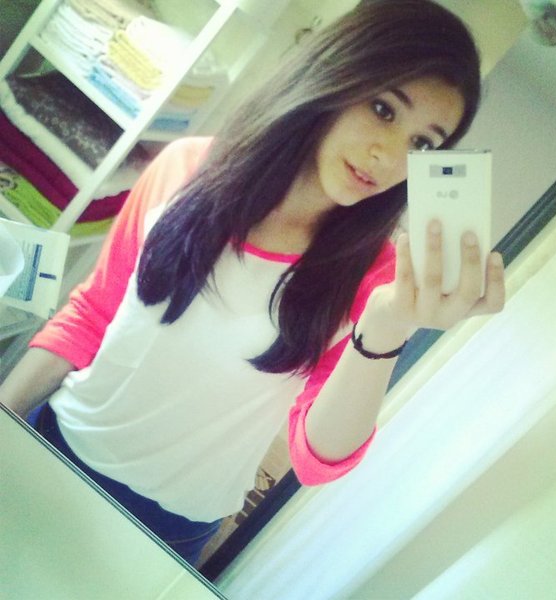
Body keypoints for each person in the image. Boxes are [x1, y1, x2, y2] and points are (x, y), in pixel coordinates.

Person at [0, 0, 505, 566]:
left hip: (168, 525)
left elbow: (317, 458)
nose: (388, 157)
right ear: (334, 74)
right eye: (384, 109)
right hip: (57, 437)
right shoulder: (186, 166)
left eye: (422, 144)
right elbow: (92, 313)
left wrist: (387, 327)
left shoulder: (378, 280)